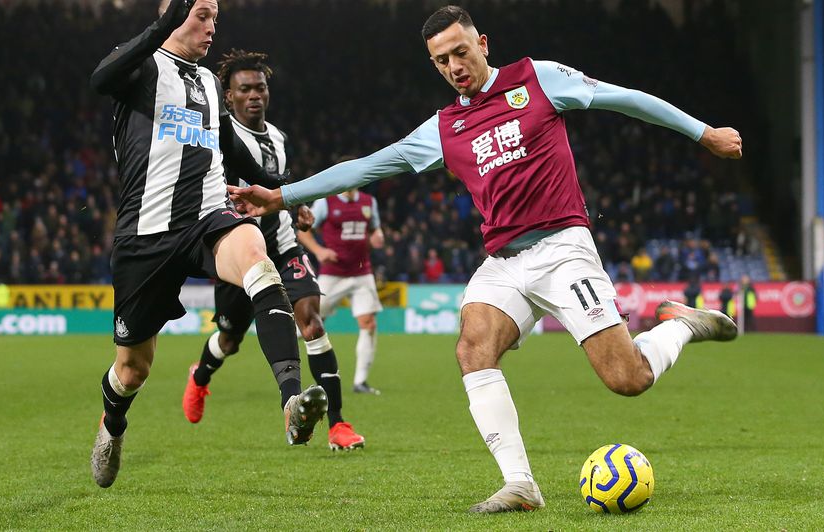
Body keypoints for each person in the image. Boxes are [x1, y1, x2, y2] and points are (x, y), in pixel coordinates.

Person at [233, 5, 740, 513]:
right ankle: (520, 484)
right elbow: (369, 166)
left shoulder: (536, 79)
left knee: (627, 379)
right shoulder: (444, 127)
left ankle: (683, 325)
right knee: (473, 349)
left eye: (460, 51)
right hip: (503, 261)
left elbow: (623, 99)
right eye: (441, 60)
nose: (454, 66)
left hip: (563, 249)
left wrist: (703, 133)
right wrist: (282, 197)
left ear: (483, 44)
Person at [88, 0, 327, 489]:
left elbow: (235, 153)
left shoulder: (210, 89)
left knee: (261, 266)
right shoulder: (144, 65)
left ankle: (291, 403)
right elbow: (99, 79)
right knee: (132, 371)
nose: (211, 27)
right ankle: (112, 426)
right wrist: (162, 24)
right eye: (201, 15)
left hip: (207, 218)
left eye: (215, 17)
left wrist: (286, 194)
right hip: (145, 235)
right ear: (174, 14)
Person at [181, 49, 365, 450]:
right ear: (227, 96)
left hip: (282, 246)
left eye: (260, 88)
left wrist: (296, 208)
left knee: (312, 322)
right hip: (240, 250)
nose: (254, 96)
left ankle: (337, 424)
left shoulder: (280, 137)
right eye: (244, 89)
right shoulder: (218, 135)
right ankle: (200, 377)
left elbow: (278, 184)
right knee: (229, 339)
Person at [297, 183, 386, 394]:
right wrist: (319, 251)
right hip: (332, 274)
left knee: (369, 324)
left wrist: (377, 236)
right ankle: (285, 357)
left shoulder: (368, 202)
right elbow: (303, 230)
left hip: (362, 273)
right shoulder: (326, 202)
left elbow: (374, 230)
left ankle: (360, 382)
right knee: (309, 323)